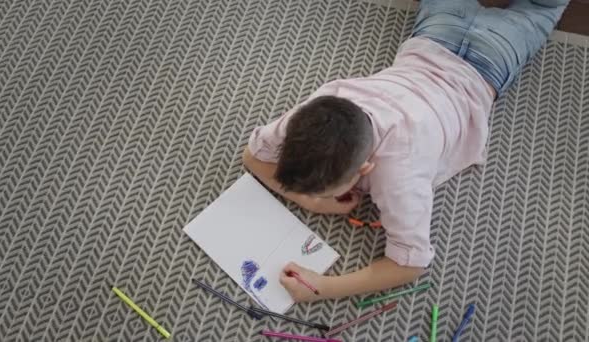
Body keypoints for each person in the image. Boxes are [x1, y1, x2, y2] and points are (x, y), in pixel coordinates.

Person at [242, 0, 569, 303]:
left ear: (365, 170)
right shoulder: (327, 100)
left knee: (542, 7)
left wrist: (325, 288)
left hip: (490, 62)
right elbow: (252, 156)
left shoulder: (399, 177)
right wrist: (311, 201)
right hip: (437, 36)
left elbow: (410, 264)